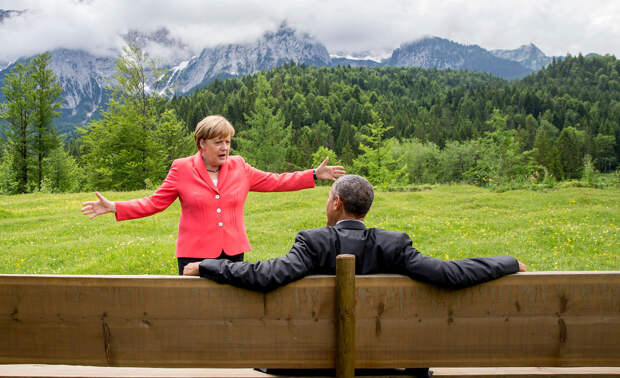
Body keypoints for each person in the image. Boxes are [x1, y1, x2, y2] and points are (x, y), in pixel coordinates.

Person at [81, 115, 345, 274]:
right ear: (201, 143)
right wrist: (115, 207)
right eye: (218, 142)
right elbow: (154, 203)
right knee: (195, 312)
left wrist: (313, 174)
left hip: (232, 252)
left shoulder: (240, 166)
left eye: (228, 142)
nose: (225, 148)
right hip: (194, 254)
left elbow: (275, 181)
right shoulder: (181, 168)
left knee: (231, 309)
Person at [182, 174, 527, 290]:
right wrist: (508, 263)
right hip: (383, 360)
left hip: (311, 362)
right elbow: (450, 274)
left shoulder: (313, 242)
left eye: (328, 198)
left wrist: (207, 265)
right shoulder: (393, 245)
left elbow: (265, 276)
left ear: (336, 203)